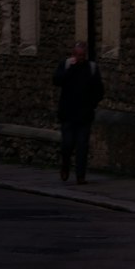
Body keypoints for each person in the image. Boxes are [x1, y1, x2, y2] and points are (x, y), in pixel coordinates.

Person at [53, 41, 104, 183]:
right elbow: (57, 80)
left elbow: (99, 90)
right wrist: (69, 69)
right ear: (73, 54)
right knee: (67, 144)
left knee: (82, 146)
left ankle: (80, 176)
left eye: (83, 55)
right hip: (68, 114)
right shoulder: (66, 65)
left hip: (84, 114)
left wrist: (92, 104)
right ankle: (65, 166)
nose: (81, 58)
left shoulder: (91, 68)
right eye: (78, 55)